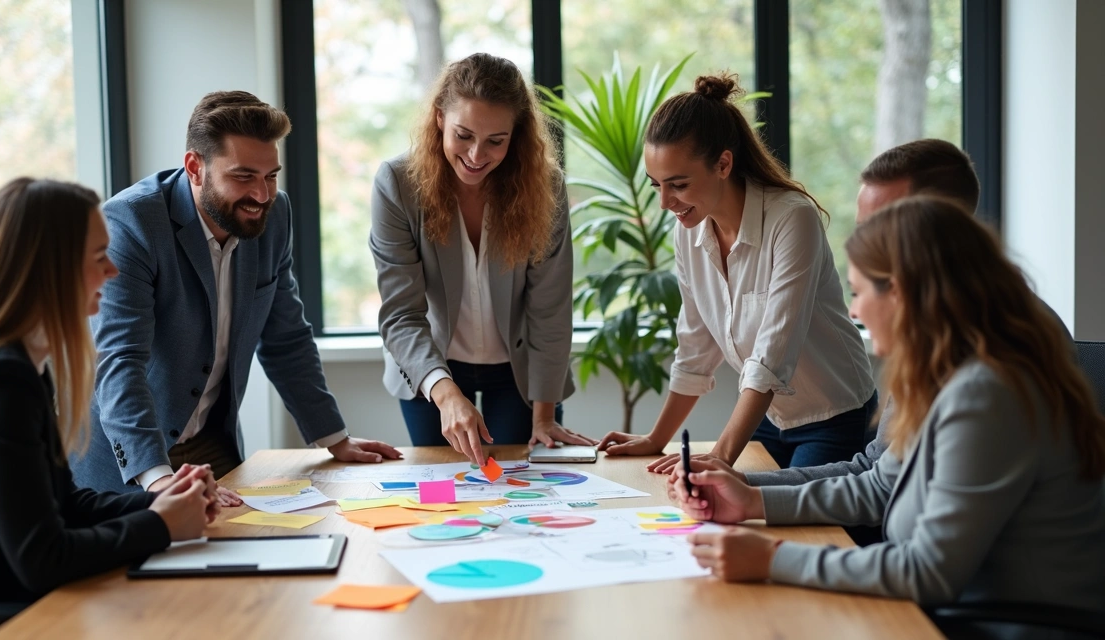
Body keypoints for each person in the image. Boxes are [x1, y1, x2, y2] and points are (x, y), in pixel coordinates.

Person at [669, 196, 1105, 612]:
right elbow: (880, 485)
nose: (854, 312)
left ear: (898, 293)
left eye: (858, 293)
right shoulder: (942, 373)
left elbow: (929, 572)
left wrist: (771, 558)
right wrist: (749, 499)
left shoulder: (987, 394)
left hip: (1009, 623)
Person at [0, 179, 216, 615]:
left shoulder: (18, 364)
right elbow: (42, 558)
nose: (113, 271)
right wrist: (161, 525)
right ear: (51, 268)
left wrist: (162, 500)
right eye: (99, 257)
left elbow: (64, 502)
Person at [71, 91, 400, 499]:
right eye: (243, 177)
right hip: (128, 462)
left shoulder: (274, 215)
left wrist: (335, 439)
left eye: (270, 176)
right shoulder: (132, 224)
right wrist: (160, 481)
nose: (261, 195)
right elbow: (120, 361)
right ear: (195, 168)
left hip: (212, 444)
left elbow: (286, 338)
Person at [598, 72, 877, 470]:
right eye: (656, 185)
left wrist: (720, 457)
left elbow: (771, 357)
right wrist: (656, 439)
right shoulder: (688, 231)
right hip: (770, 416)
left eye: (678, 185)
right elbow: (695, 347)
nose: (664, 202)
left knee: (774, 506)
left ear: (723, 164)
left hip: (835, 415)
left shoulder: (792, 219)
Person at [370, 53, 594, 465]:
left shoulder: (544, 187)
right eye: (464, 135)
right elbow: (401, 314)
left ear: (516, 135)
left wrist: (544, 416)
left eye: (496, 141)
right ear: (440, 118)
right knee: (443, 488)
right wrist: (445, 393)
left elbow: (550, 308)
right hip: (431, 367)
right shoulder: (397, 184)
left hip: (518, 371)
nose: (476, 154)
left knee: (520, 484)